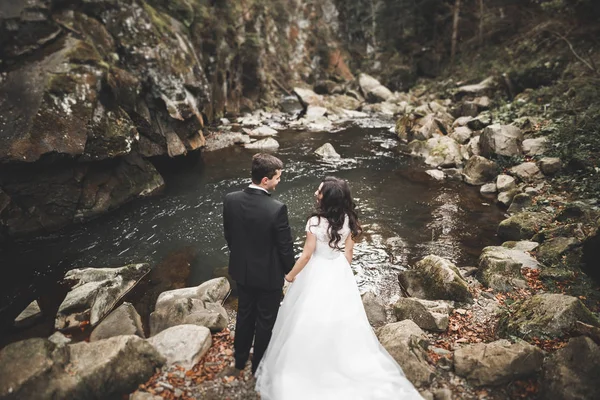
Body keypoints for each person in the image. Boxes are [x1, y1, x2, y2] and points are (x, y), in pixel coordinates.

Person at [255, 176, 423, 400]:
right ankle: (339, 357)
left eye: (320, 191)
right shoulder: (349, 219)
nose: (316, 193)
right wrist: (341, 272)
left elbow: (306, 255)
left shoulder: (315, 222)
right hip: (338, 270)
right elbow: (349, 253)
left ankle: (308, 364)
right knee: (342, 317)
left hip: (316, 270)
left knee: (306, 315)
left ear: (327, 198)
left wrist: (290, 276)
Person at [222, 153, 295, 375]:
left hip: (242, 272)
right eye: (277, 177)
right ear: (265, 180)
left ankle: (239, 359)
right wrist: (290, 271)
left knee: (244, 315)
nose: (279, 181)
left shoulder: (230, 199)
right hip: (268, 277)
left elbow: (229, 236)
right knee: (265, 321)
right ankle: (258, 366)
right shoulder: (276, 208)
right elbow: (285, 247)